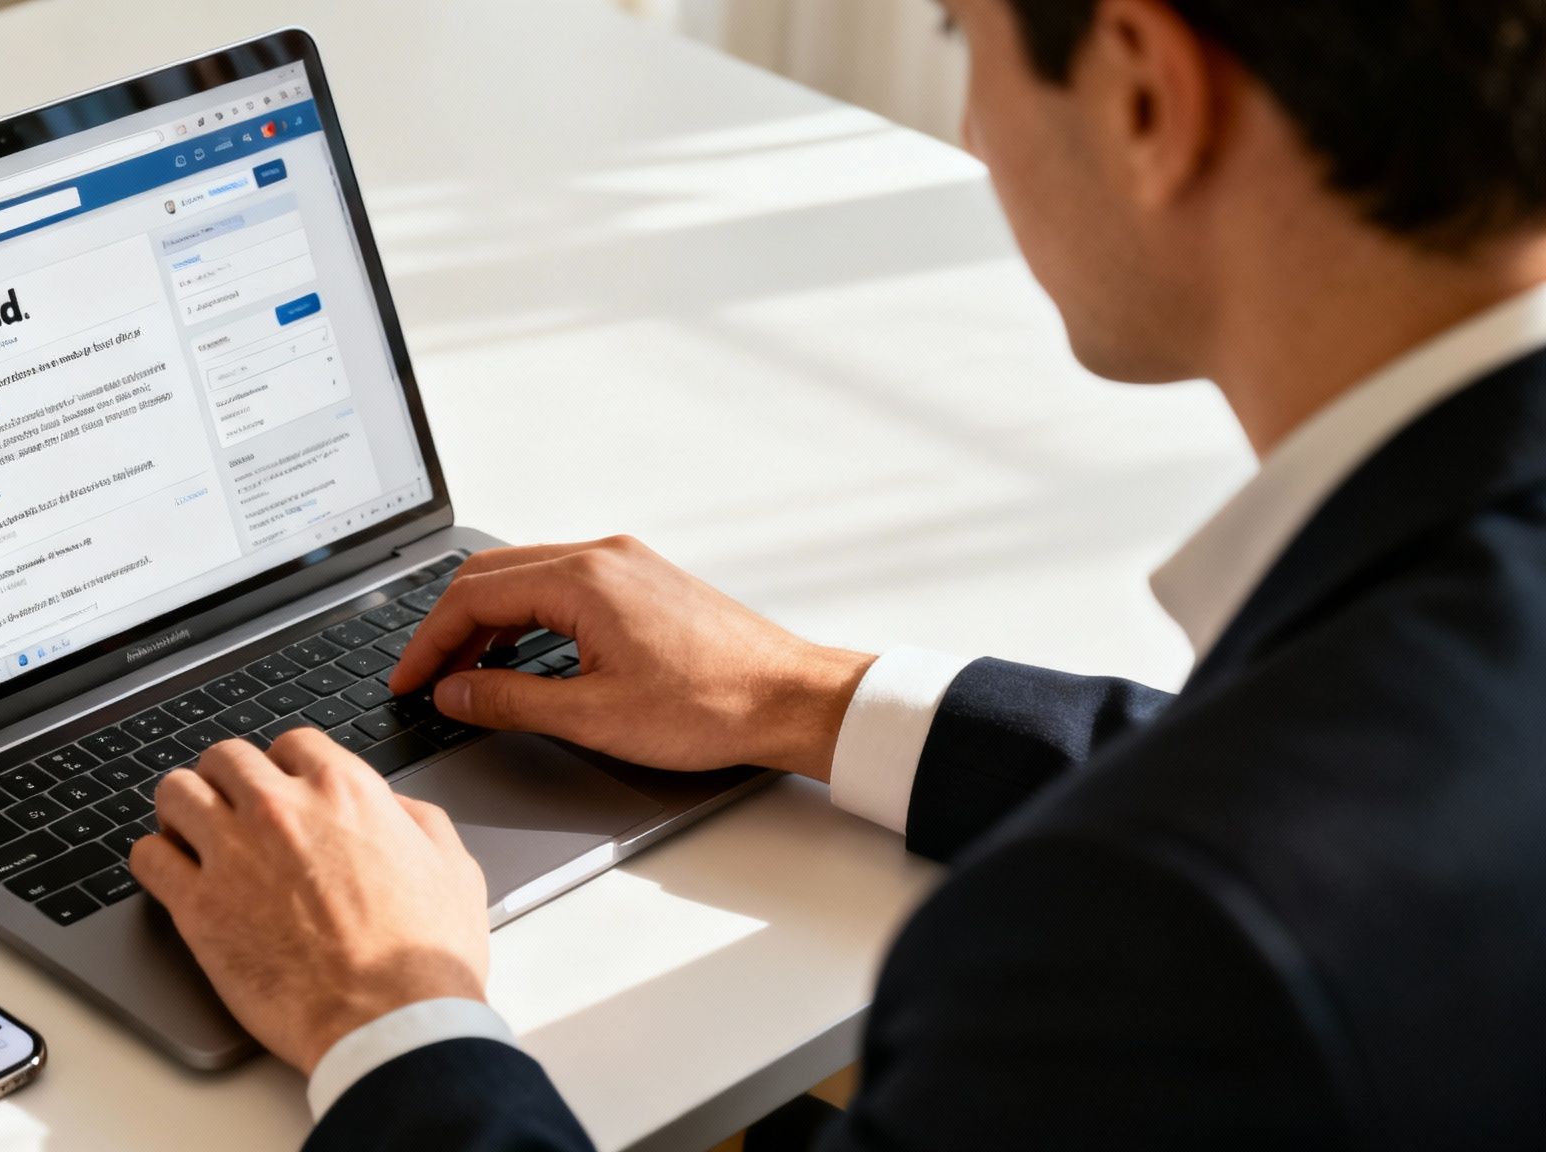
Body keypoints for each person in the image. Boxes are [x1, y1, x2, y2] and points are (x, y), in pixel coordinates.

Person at [129, 0, 1546, 1147]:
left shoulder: (1153, 943)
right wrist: (804, 696)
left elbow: (1244, 865)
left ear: (1142, 91)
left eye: (962, 36)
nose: (976, 128)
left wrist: (388, 1007)